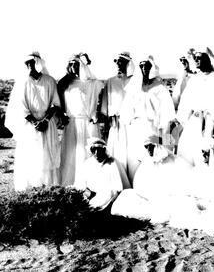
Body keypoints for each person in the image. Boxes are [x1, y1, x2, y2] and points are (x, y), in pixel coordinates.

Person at [5, 52, 63, 190]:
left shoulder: (50, 81)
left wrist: (45, 120)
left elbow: (55, 104)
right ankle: (32, 188)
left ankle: (48, 187)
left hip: (47, 124)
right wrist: (36, 122)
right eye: (27, 64)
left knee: (48, 154)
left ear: (38, 63)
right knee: (32, 156)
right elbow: (20, 107)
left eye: (32, 62)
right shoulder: (22, 82)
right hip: (30, 126)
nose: (30, 66)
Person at [119, 55, 176, 184]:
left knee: (153, 156)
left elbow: (167, 115)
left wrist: (166, 140)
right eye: (142, 66)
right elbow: (126, 113)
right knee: (135, 158)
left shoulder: (160, 89)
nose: (144, 69)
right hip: (136, 128)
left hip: (153, 128)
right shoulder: (134, 89)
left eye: (147, 66)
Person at [176, 47, 214, 169]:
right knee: (187, 152)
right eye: (195, 58)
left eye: (200, 58)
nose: (197, 61)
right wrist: (182, 119)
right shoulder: (194, 79)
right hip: (195, 121)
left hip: (212, 123)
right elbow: (185, 103)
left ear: (207, 59)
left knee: (212, 154)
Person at [59, 53, 104, 186]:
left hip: (86, 122)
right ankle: (70, 183)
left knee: (85, 153)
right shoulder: (66, 83)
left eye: (76, 65)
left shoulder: (89, 83)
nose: (73, 67)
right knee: (71, 154)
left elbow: (99, 88)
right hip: (71, 123)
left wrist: (86, 61)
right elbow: (60, 97)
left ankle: (88, 184)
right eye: (71, 65)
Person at [97, 52, 134, 176]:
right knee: (117, 150)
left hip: (131, 123)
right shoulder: (110, 82)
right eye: (117, 62)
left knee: (131, 152)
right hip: (116, 123)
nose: (119, 65)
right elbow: (105, 105)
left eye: (122, 62)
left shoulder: (134, 81)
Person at [75, 138, 130, 211]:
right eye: (94, 150)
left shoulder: (112, 163)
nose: (96, 153)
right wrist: (87, 193)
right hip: (91, 194)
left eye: (99, 150)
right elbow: (81, 183)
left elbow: (117, 188)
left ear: (104, 150)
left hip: (107, 195)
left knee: (105, 198)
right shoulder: (88, 163)